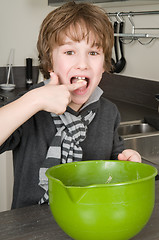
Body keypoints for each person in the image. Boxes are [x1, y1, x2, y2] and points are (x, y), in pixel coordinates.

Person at [0, 1, 141, 209]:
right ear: (49, 62)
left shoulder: (109, 112)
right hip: (32, 227)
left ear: (103, 66)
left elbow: (114, 163)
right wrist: (35, 100)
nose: (82, 63)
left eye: (93, 53)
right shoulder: (30, 105)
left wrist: (128, 162)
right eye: (69, 52)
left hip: (89, 218)